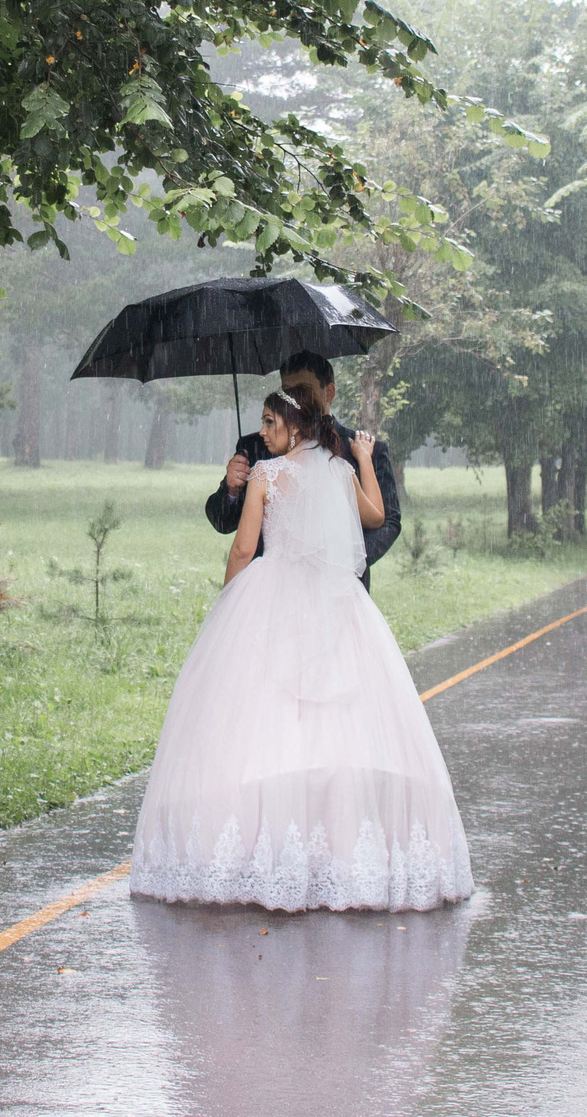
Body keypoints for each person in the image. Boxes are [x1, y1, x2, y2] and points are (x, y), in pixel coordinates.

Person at [129, 384, 472, 912]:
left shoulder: (268, 475)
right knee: (334, 724)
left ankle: (266, 850)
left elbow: (244, 548)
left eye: (270, 423)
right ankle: (329, 848)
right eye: (263, 423)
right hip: (335, 602)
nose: (262, 434)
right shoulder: (339, 472)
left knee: (269, 725)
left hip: (273, 595)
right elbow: (376, 518)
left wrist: (227, 606)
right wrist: (360, 460)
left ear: (295, 425)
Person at [204, 350, 400, 587]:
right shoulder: (254, 447)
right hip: (269, 591)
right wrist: (231, 490)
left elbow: (387, 521)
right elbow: (223, 523)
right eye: (287, 392)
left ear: (329, 392)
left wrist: (342, 560)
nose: (294, 400)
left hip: (341, 588)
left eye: (303, 391)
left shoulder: (366, 450)